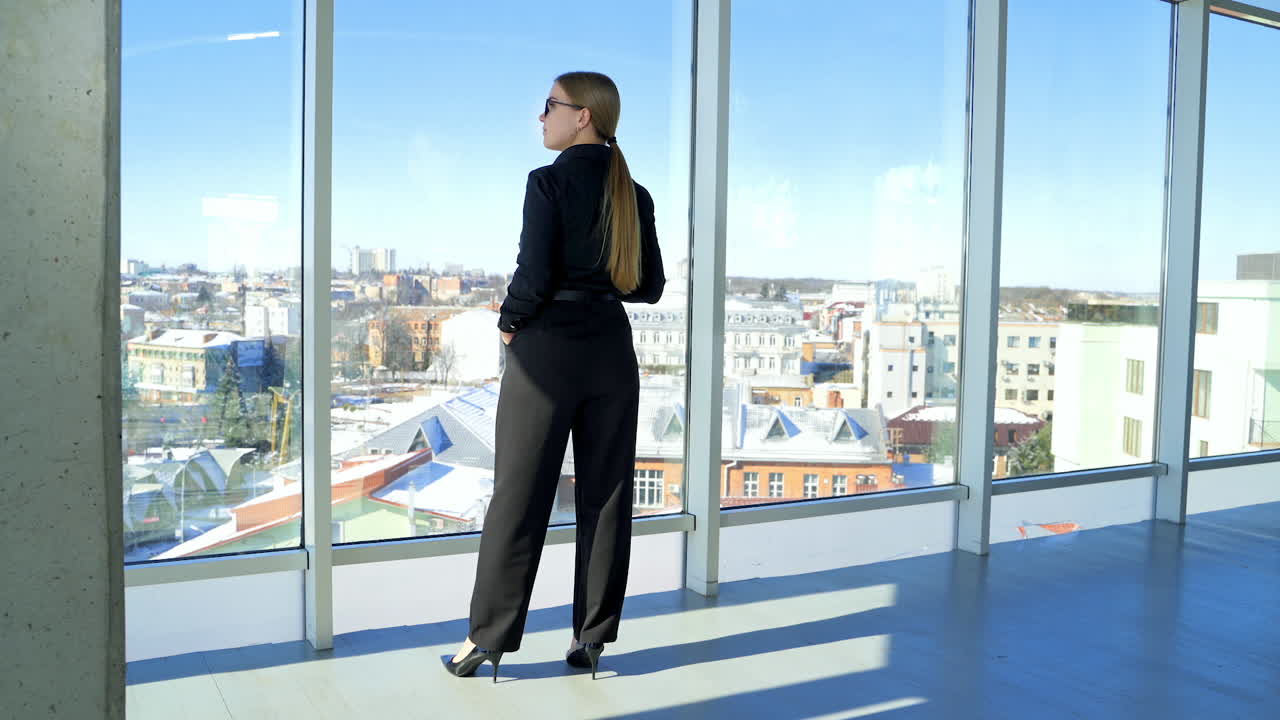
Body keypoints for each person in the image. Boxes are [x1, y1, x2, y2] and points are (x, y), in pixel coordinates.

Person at [443, 71, 666, 682]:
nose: (540, 118)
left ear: (583, 116)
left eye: (549, 107)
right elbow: (648, 287)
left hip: (547, 352)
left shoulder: (547, 182)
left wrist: (511, 323)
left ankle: (488, 638)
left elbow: (533, 273)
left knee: (520, 494)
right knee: (606, 493)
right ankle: (591, 640)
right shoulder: (634, 194)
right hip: (610, 351)